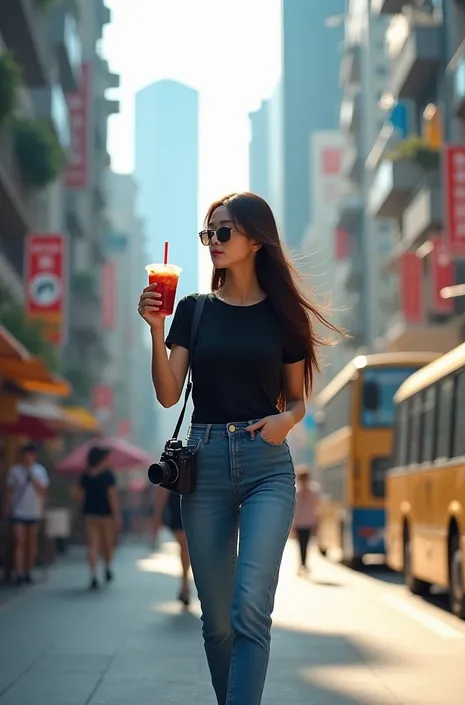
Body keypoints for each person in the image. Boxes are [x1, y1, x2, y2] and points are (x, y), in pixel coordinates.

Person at [137, 192, 340, 705]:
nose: (214, 242)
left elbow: (296, 400)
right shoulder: (193, 311)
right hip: (202, 466)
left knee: (251, 609)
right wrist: (156, 329)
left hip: (266, 466)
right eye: (209, 234)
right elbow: (167, 394)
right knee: (219, 622)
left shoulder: (283, 316)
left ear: (255, 239)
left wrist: (286, 421)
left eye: (223, 232)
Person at [76, 446, 121, 590]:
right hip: (106, 516)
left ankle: (93, 575)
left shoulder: (85, 476)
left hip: (89, 515)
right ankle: (107, 566)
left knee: (92, 545)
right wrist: (117, 515)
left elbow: (80, 497)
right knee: (107, 544)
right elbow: (112, 497)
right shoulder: (108, 476)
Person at [4, 443, 49, 585]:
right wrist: (7, 507)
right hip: (18, 510)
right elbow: (9, 491)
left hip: (33, 511)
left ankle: (28, 569)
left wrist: (33, 478)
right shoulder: (15, 471)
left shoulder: (40, 471)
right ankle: (19, 572)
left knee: (31, 543)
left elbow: (43, 491)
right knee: (19, 542)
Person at [153, 488, 191, 607]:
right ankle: (185, 585)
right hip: (180, 503)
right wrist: (157, 515)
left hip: (190, 501)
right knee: (185, 546)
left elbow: (162, 490)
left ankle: (185, 585)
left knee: (185, 547)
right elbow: (163, 488)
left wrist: (157, 515)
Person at [292, 465, 321, 575]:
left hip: (309, 522)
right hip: (299, 523)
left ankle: (304, 564)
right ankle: (302, 565)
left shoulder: (314, 492)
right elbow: (293, 510)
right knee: (300, 545)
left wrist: (317, 523)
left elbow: (317, 508)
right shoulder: (296, 492)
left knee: (307, 545)